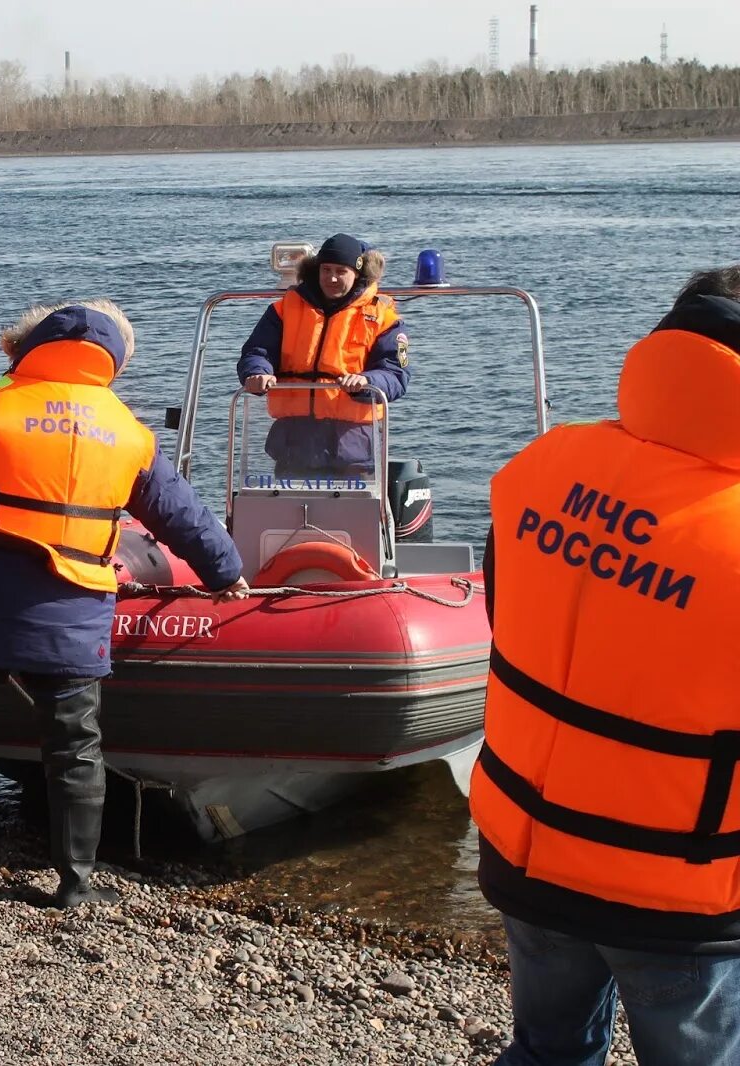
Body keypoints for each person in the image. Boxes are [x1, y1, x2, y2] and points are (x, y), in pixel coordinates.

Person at [0, 299, 249, 908]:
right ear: (112, 360)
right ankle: (75, 881)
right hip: (71, 614)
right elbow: (182, 516)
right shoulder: (127, 431)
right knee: (74, 749)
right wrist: (225, 572)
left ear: (35, 346)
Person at [472, 266, 740, 1065]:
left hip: (528, 846)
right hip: (675, 892)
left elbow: (505, 619)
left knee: (547, 1051)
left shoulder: (543, 468)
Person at [236, 233, 410, 479]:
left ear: (357, 274)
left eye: (341, 271)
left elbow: (396, 374)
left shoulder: (384, 319)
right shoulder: (284, 309)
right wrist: (257, 373)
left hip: (353, 450)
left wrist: (367, 381)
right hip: (294, 446)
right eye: (326, 269)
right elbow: (257, 351)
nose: (332, 277)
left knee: (353, 516)